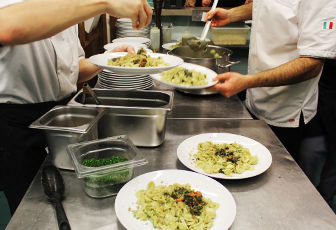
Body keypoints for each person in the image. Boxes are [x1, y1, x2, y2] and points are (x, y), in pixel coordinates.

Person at [0, 0, 152, 215]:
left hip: (66, 119)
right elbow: (6, 27)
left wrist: (109, 59)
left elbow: (73, 71)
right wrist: (105, 3)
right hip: (17, 127)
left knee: (75, 203)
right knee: (33, 211)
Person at [205, 0, 336, 204]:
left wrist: (248, 81)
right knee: (244, 171)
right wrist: (232, 14)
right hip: (256, 98)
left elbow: (312, 64)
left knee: (272, 190)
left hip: (285, 110)